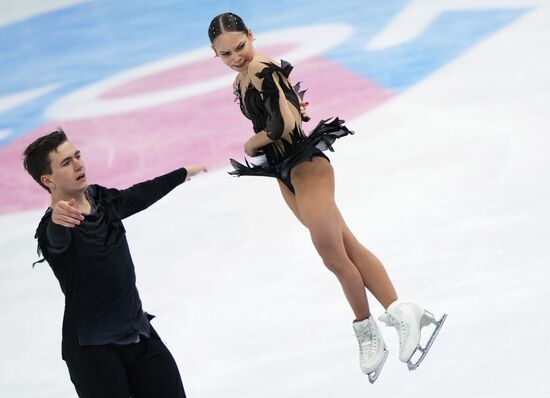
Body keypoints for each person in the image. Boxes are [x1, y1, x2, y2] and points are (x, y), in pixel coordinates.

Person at [208, 13, 446, 383]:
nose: (236, 56)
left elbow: (282, 127)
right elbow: (290, 108)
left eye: (240, 46)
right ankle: (403, 312)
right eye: (226, 54)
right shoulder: (242, 81)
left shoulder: (260, 68)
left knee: (333, 257)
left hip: (306, 166)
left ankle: (367, 331)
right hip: (283, 174)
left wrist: (251, 143)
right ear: (215, 54)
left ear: (251, 36)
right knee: (347, 247)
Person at [23, 129, 206, 397]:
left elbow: (138, 195)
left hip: (138, 333)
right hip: (93, 351)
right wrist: (56, 219)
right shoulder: (54, 227)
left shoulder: (102, 200)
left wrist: (180, 174)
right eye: (66, 162)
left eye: (77, 155)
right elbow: (55, 239)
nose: (78, 164)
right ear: (47, 180)